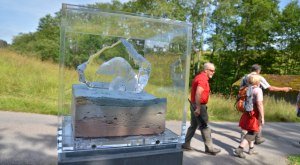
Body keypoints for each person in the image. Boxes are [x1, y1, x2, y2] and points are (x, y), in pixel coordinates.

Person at [239, 64, 292, 144]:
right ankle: (257, 138)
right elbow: (270, 88)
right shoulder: (259, 77)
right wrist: (284, 89)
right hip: (255, 101)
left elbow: (241, 89)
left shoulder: (244, 77)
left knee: (247, 119)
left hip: (245, 101)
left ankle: (244, 138)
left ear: (251, 70)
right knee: (258, 118)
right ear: (258, 71)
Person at [182, 62, 221, 155]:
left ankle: (186, 144)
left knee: (193, 125)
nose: (213, 72)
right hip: (198, 105)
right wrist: (198, 108)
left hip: (194, 104)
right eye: (211, 70)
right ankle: (209, 148)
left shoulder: (199, 77)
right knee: (204, 126)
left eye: (214, 71)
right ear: (206, 70)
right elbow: (198, 93)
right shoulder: (203, 79)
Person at [235, 74, 264, 158]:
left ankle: (251, 149)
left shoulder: (246, 88)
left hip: (246, 112)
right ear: (257, 81)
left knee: (249, 130)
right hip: (254, 114)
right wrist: (262, 116)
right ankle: (240, 149)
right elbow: (259, 104)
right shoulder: (258, 90)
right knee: (253, 132)